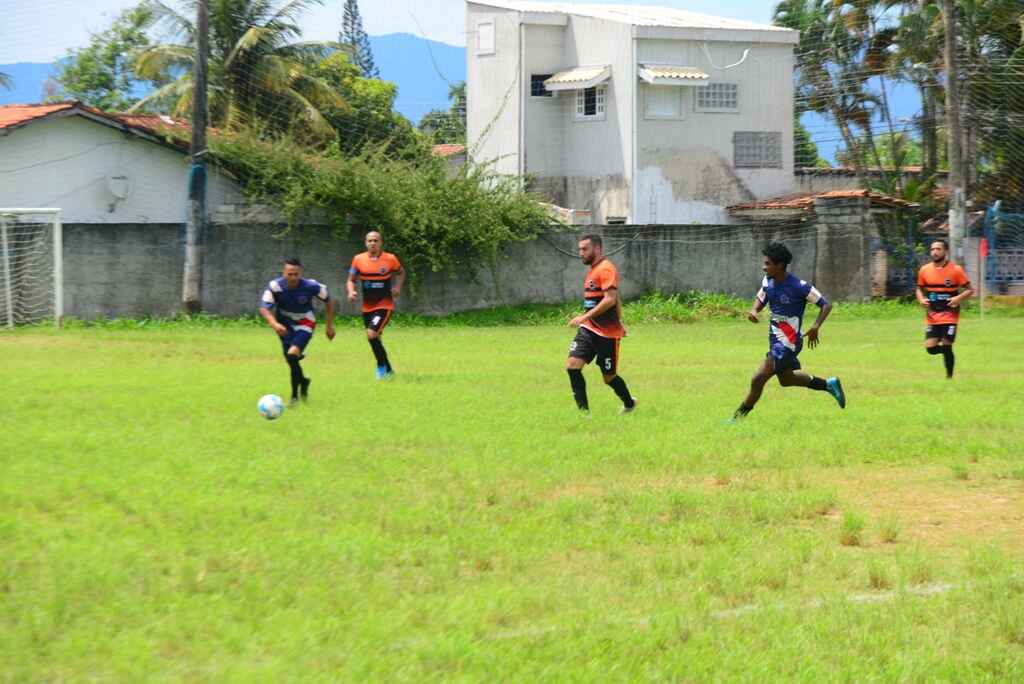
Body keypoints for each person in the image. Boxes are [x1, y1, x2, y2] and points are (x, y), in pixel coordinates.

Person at [731, 242, 845, 421]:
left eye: (768, 263)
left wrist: (815, 326)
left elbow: (825, 304)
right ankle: (829, 385)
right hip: (775, 340)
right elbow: (762, 297)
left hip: (787, 343)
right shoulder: (768, 282)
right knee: (786, 380)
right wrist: (754, 311)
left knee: (757, 379)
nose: (764, 267)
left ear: (780, 265)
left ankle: (736, 419)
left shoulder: (799, 286)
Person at [566, 234, 637, 414]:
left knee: (609, 377)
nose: (580, 253)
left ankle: (629, 404)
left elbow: (611, 299)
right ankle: (584, 415)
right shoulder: (593, 270)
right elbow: (616, 297)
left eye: (585, 249)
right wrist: (586, 320)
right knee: (572, 366)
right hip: (589, 329)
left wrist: (584, 316)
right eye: (580, 249)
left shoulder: (606, 268)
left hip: (607, 333)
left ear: (597, 249)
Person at [259, 258, 335, 405]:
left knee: (292, 354)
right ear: (284, 273)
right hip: (284, 325)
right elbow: (264, 308)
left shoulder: (311, 286)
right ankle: (304, 381)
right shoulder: (275, 286)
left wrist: (329, 326)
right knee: (291, 360)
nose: (293, 278)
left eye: (296, 274)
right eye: (289, 274)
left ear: (301, 273)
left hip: (305, 323)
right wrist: (274, 324)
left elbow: (329, 301)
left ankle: (294, 397)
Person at [347, 231, 405, 379]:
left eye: (376, 240)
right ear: (366, 243)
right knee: (376, 338)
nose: (373, 243)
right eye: (370, 241)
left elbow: (401, 272)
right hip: (367, 307)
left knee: (371, 334)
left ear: (381, 243)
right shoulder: (358, 259)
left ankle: (380, 368)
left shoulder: (390, 259)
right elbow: (351, 279)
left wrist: (397, 287)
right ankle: (389, 371)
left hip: (384, 305)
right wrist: (351, 291)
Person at [916, 239, 973, 379]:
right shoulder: (924, 270)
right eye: (932, 249)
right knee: (930, 348)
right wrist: (921, 299)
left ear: (945, 251)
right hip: (932, 315)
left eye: (938, 249)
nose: (934, 252)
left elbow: (969, 290)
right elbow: (919, 289)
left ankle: (949, 377)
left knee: (947, 343)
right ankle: (947, 352)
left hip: (950, 315)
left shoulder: (956, 270)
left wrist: (957, 299)